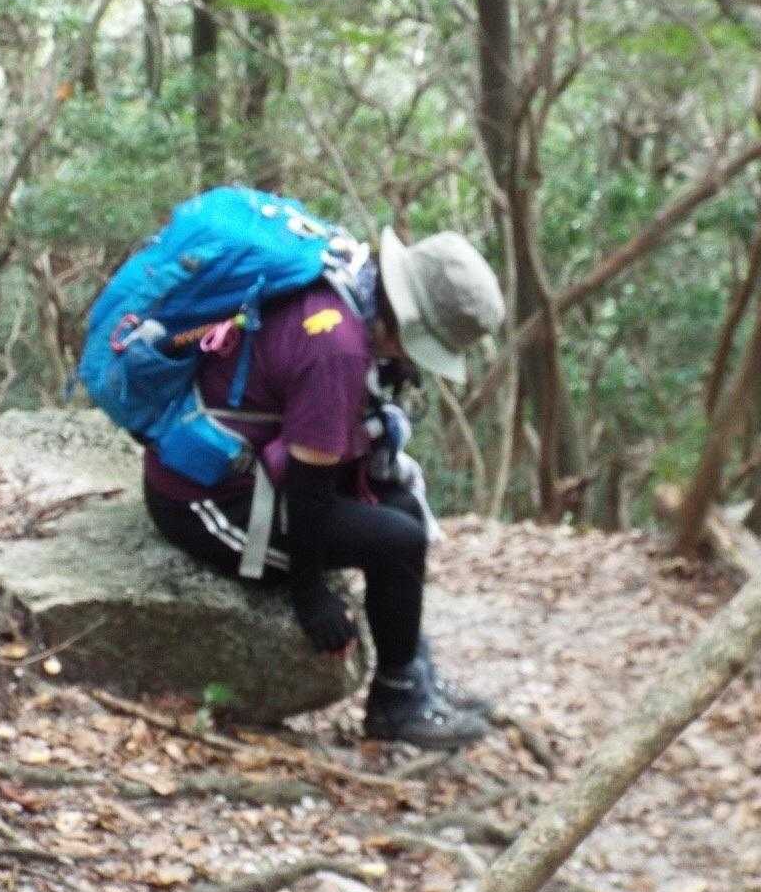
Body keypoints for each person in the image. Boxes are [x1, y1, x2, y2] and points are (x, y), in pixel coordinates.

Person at [143, 222, 505, 748]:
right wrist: (310, 593)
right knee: (399, 542)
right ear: (407, 326)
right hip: (205, 500)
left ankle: (411, 673)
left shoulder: (345, 280)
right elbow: (309, 491)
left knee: (403, 509)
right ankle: (397, 704)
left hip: (253, 471)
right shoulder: (337, 349)